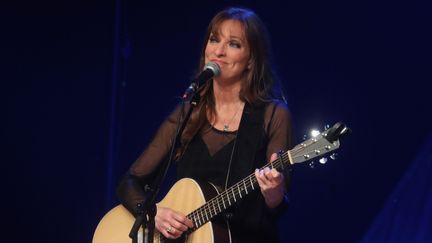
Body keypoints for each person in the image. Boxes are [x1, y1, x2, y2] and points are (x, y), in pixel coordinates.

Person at [117, 7, 292, 243]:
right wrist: (153, 214)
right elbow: (130, 181)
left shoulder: (273, 114)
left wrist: (273, 191)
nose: (218, 51)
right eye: (214, 39)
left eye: (233, 44)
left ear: (251, 60)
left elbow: (276, 207)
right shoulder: (188, 112)